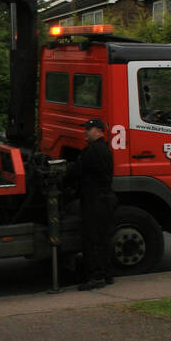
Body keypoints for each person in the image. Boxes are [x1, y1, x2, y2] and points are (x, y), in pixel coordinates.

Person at [63, 118, 116, 290]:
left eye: (89, 129)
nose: (85, 131)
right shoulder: (105, 149)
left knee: (92, 240)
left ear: (100, 131)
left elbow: (76, 171)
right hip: (105, 199)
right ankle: (107, 274)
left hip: (94, 200)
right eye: (85, 129)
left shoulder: (92, 151)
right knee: (103, 238)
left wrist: (64, 175)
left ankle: (96, 277)